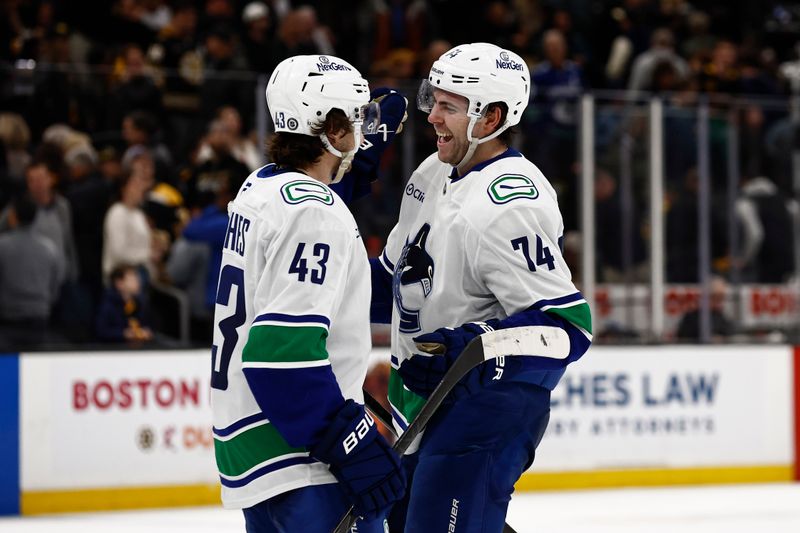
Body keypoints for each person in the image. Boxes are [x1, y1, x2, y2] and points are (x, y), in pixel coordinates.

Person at [370, 43, 593, 532]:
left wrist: (468, 351)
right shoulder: (431, 173)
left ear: (491, 118)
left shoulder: (508, 202)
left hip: (487, 409)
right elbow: (386, 280)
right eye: (433, 99)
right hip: (428, 405)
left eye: (449, 106)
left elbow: (569, 328)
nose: (432, 116)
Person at [210, 54, 405, 532]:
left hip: (254, 444)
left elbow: (311, 197)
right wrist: (349, 442)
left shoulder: (260, 187)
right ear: (333, 132)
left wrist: (362, 159)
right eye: (357, 122)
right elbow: (279, 356)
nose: (364, 132)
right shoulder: (316, 215)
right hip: (303, 458)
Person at [95, 263, 154, 342]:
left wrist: (145, 332)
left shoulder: (138, 303)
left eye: (137, 278)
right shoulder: (107, 305)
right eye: (132, 279)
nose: (138, 282)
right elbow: (100, 331)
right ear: (119, 283)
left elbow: (146, 325)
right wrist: (123, 334)